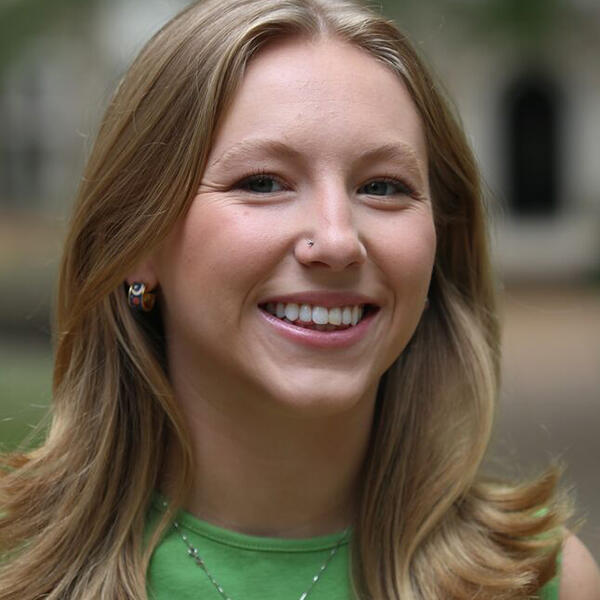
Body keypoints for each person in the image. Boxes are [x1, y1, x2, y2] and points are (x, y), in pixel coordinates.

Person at [1, 0, 599, 598]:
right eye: (263, 182)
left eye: (384, 187)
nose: (338, 241)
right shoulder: (15, 564)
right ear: (137, 241)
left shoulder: (542, 581)